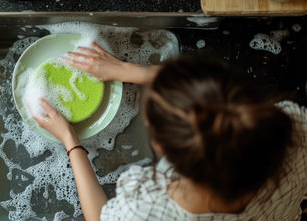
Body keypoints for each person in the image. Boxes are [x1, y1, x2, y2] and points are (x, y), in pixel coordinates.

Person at [31, 42, 307, 221]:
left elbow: (100, 217)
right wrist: (128, 70)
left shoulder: (149, 207)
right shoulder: (292, 123)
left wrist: (70, 139)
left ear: (162, 148)